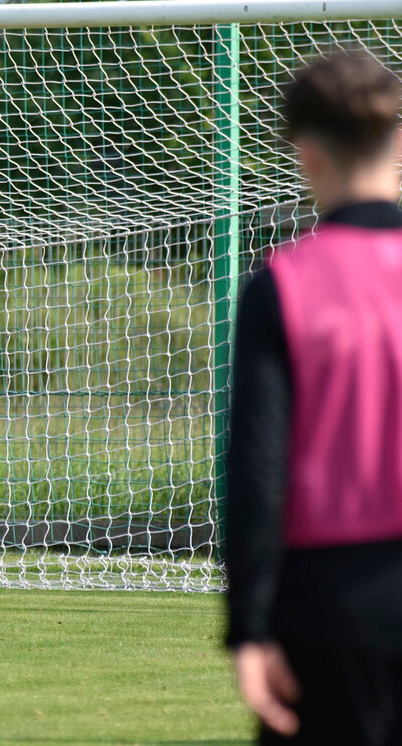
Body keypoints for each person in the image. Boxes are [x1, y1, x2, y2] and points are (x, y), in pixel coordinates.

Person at [225, 50, 402, 743]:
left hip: (325, 607)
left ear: (305, 154)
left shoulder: (283, 287)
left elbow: (258, 473)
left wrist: (248, 628)